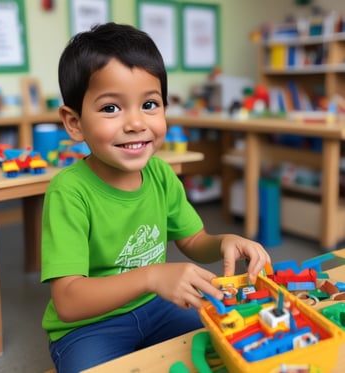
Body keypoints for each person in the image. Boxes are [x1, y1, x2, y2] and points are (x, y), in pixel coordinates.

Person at [41, 22, 271, 373]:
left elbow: (193, 239)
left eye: (149, 103)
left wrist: (226, 241)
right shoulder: (69, 192)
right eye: (111, 108)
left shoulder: (161, 174)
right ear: (74, 123)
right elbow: (69, 301)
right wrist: (151, 277)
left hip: (158, 306)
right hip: (88, 327)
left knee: (231, 343)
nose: (136, 123)